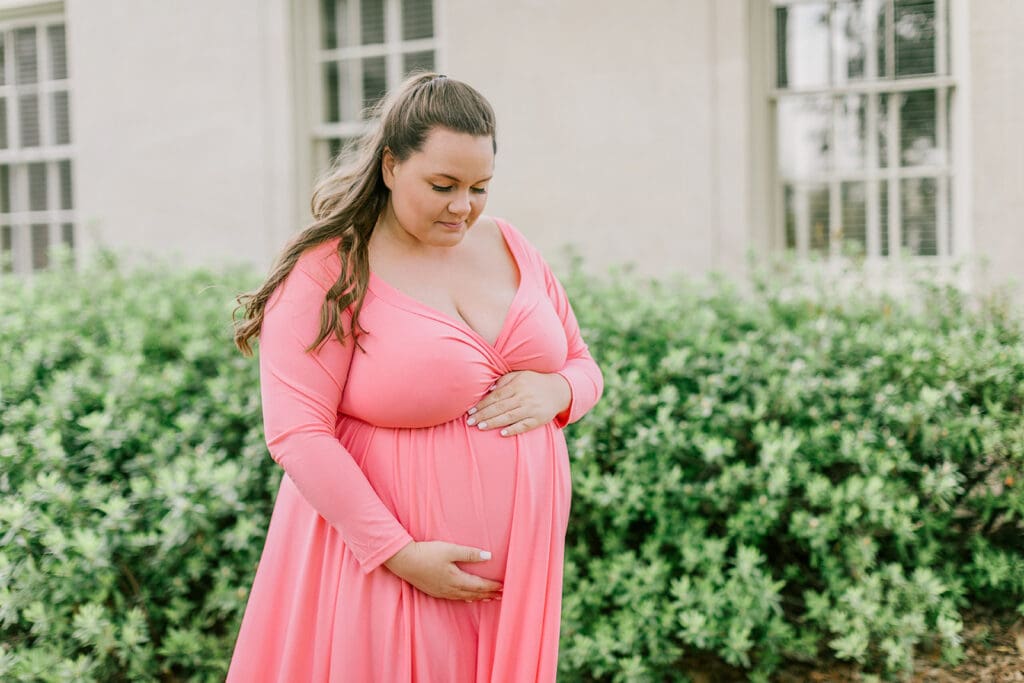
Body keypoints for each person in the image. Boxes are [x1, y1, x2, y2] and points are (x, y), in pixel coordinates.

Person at [227, 72, 603, 682]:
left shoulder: (510, 245)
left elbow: (583, 365)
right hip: (382, 567)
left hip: (517, 580)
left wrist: (560, 390)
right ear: (390, 166)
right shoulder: (331, 266)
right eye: (443, 185)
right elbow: (296, 432)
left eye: (480, 186)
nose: (464, 205)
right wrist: (398, 554)